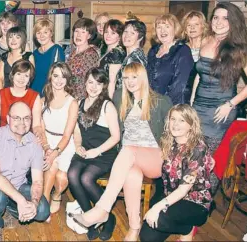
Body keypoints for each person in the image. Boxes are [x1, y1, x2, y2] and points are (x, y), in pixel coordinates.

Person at [72, 62, 172, 241]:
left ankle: (102, 209)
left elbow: (173, 132)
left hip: (154, 158)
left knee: (128, 150)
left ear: (143, 77)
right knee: (132, 175)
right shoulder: (120, 98)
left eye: (134, 77)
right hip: (129, 161)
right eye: (126, 78)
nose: (130, 81)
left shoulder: (161, 101)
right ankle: (134, 228)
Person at [0, 101, 50, 241]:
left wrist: (33, 202)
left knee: (42, 211)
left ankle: (9, 207)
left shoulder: (35, 143)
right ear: (8, 119)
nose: (22, 122)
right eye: (16, 118)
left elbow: (38, 181)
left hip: (18, 186)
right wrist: (21, 201)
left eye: (26, 118)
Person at [140, 104, 215, 242]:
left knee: (159, 218)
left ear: (191, 125)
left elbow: (182, 190)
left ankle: (187, 229)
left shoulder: (197, 148)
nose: (175, 124)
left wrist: (157, 207)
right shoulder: (169, 142)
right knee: (146, 237)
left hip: (195, 203)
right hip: (173, 198)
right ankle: (185, 226)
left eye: (182, 120)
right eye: (173, 119)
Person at [190, 2, 247, 154]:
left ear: (233, 22)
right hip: (198, 106)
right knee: (193, 154)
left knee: (210, 157)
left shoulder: (242, 49)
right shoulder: (205, 41)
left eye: (225, 18)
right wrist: (192, 100)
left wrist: (230, 105)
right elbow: (200, 75)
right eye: (216, 17)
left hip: (221, 109)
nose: (219, 22)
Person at [68, 68, 120, 240]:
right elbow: (76, 132)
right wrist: (77, 146)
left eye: (98, 83)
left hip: (104, 152)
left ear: (104, 85)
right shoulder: (80, 103)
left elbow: (116, 137)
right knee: (73, 174)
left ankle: (107, 216)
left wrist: (96, 151)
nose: (94, 87)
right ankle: (90, 216)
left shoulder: (107, 105)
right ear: (85, 83)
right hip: (85, 150)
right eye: (90, 82)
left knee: (86, 178)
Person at [38, 63, 78, 219]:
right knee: (52, 164)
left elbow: (68, 135)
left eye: (63, 76)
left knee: (61, 179)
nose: (59, 80)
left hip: (65, 144)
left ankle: (57, 194)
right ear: (50, 77)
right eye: (56, 75)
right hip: (46, 141)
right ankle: (44, 202)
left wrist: (55, 152)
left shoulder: (72, 103)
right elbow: (40, 129)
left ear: (68, 79)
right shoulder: (42, 101)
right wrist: (47, 147)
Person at [147, 14, 194, 105]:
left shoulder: (182, 50)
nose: (162, 30)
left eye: (167, 26)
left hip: (173, 106)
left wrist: (164, 106)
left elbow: (179, 86)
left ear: (175, 29)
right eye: (159, 27)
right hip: (152, 104)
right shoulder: (153, 51)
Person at [0, 60, 42, 131]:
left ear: (29, 79)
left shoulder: (35, 96)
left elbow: (36, 125)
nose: (22, 78)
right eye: (19, 74)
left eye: (26, 75)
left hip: (25, 137)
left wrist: (39, 135)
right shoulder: (1, 94)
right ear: (12, 75)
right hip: (3, 137)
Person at [66, 18, 100, 100]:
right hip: (68, 97)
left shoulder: (90, 54)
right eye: (76, 31)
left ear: (89, 36)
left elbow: (90, 80)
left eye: (83, 32)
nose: (78, 35)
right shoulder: (72, 52)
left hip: (81, 99)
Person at [31, 18, 65, 96]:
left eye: (45, 32)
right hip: (34, 94)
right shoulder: (35, 53)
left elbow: (58, 78)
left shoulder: (57, 50)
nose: (42, 36)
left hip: (49, 95)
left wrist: (48, 97)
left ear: (51, 33)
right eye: (38, 33)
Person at [181, 11, 208, 103]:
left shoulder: (209, 48)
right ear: (185, 29)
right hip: (183, 95)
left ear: (203, 27)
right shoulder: (180, 48)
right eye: (189, 25)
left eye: (196, 24)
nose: (192, 28)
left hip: (203, 95)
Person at [115, 18, 147, 91]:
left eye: (132, 33)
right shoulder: (130, 56)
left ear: (140, 38)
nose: (127, 36)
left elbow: (134, 88)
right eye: (125, 31)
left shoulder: (135, 59)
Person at [99, 19, 126, 98]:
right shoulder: (107, 50)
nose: (108, 35)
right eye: (106, 32)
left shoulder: (116, 53)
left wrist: (109, 102)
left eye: (113, 33)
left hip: (110, 95)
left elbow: (112, 82)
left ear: (120, 36)